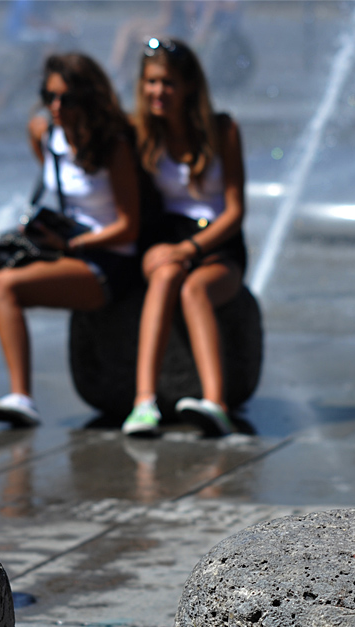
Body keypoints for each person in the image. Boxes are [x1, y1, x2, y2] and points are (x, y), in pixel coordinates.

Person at [0, 53, 140, 427]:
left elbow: (129, 227)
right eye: (48, 96)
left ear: (88, 97)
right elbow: (53, 181)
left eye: (66, 99)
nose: (56, 106)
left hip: (111, 262)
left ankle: (22, 397)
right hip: (70, 251)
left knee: (1, 287)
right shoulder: (44, 134)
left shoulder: (113, 147)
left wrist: (74, 244)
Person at [121, 37, 246, 437]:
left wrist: (191, 248)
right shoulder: (139, 131)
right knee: (166, 274)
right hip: (163, 239)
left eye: (168, 83)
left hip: (216, 244)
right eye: (151, 82)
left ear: (190, 85)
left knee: (195, 290)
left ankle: (216, 404)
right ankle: (144, 404)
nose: (158, 92)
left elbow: (236, 210)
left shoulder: (222, 129)